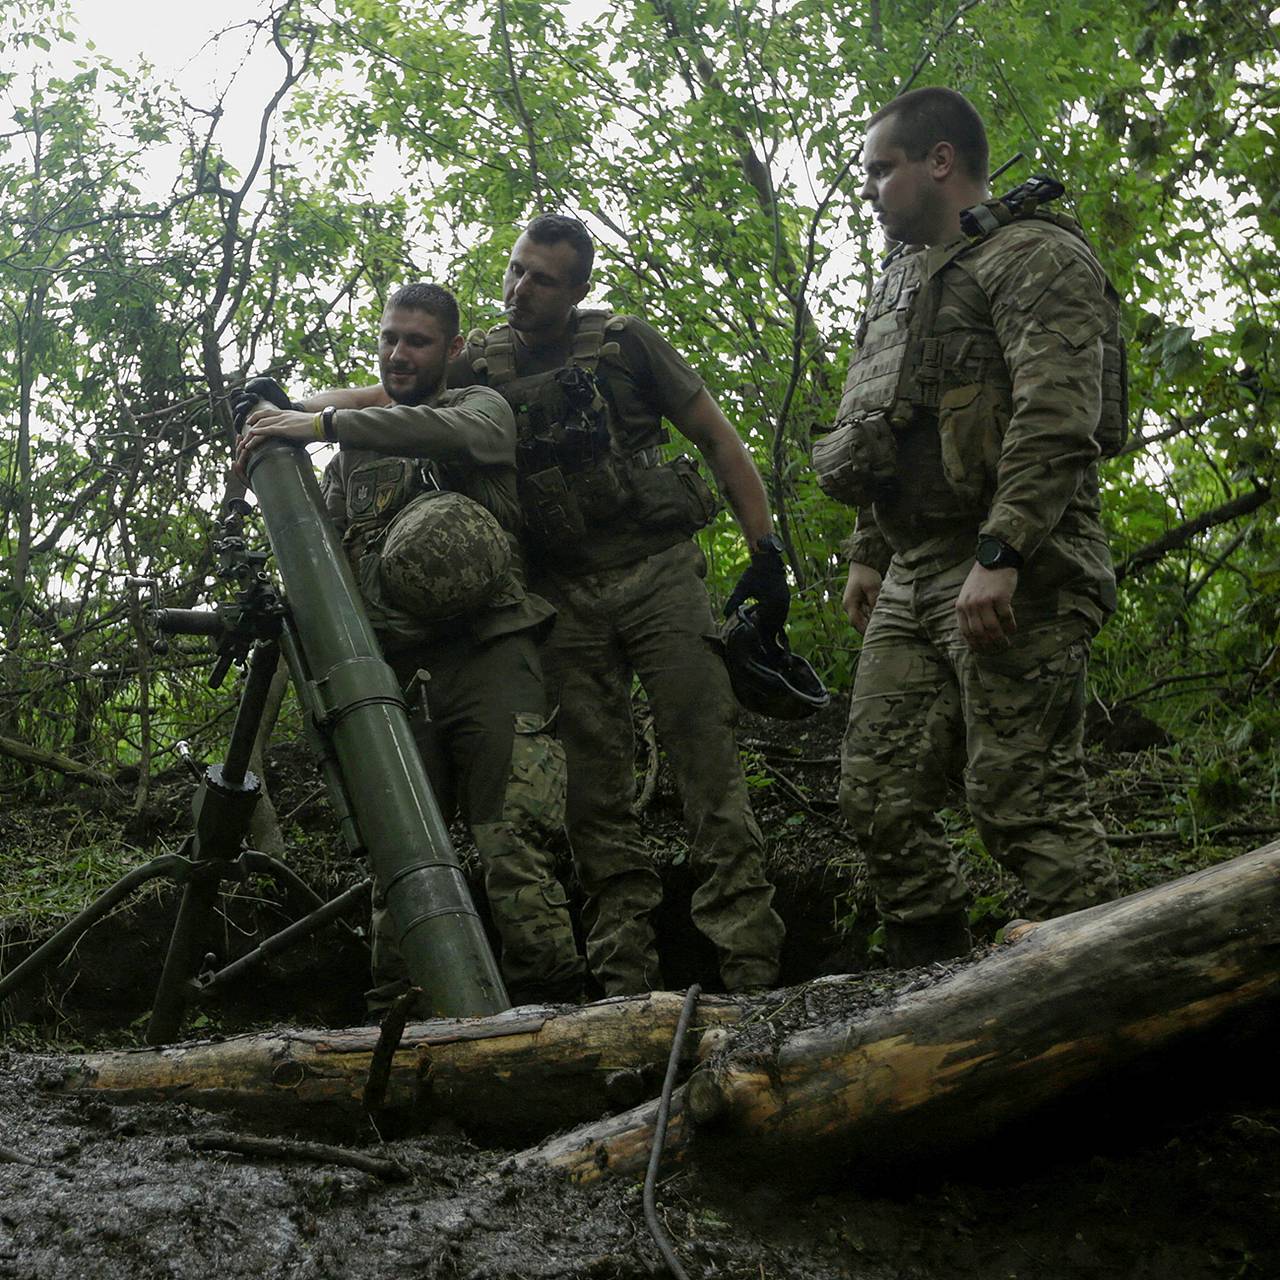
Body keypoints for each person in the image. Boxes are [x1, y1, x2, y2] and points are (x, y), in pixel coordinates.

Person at [814, 87, 1120, 968]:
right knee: (876, 797)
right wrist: (870, 551)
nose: (869, 189)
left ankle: (1132, 996)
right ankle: (935, 1001)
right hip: (914, 570)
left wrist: (1004, 550)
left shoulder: (1033, 256)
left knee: (1020, 799)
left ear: (938, 161)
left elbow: (1056, 414)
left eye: (881, 170)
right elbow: (887, 421)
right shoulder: (907, 279)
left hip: (1022, 563)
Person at [236, 282, 585, 1008]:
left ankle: (555, 1026)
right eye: (391, 338)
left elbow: (450, 434)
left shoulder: (479, 411)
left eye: (418, 341)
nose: (400, 353)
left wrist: (321, 419)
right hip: (402, 682)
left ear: (452, 350)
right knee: (401, 867)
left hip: (492, 659)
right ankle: (403, 1040)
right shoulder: (351, 461)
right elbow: (327, 569)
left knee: (515, 851)